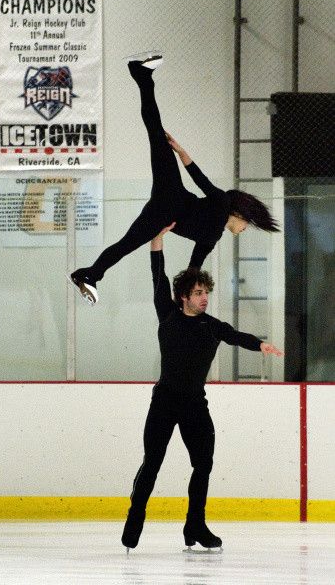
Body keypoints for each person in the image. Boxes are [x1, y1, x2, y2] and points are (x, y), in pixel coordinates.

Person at [121, 223, 283, 553]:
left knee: (204, 463)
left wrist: (260, 344)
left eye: (206, 292)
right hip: (164, 401)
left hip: (195, 403)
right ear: (184, 297)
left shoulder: (211, 326)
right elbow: (158, 278)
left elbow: (235, 335)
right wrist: (157, 239)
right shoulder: (167, 314)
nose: (204, 297)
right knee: (152, 463)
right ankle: (136, 513)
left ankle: (195, 524)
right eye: (198, 293)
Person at [69, 54, 279, 305]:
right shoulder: (221, 204)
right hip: (171, 194)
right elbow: (201, 180)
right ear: (241, 214)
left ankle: (89, 275)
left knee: (126, 244)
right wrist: (181, 152)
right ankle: (142, 75)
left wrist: (184, 300)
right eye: (248, 225)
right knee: (156, 133)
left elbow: (193, 270)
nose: (244, 230)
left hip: (163, 209)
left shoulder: (211, 239)